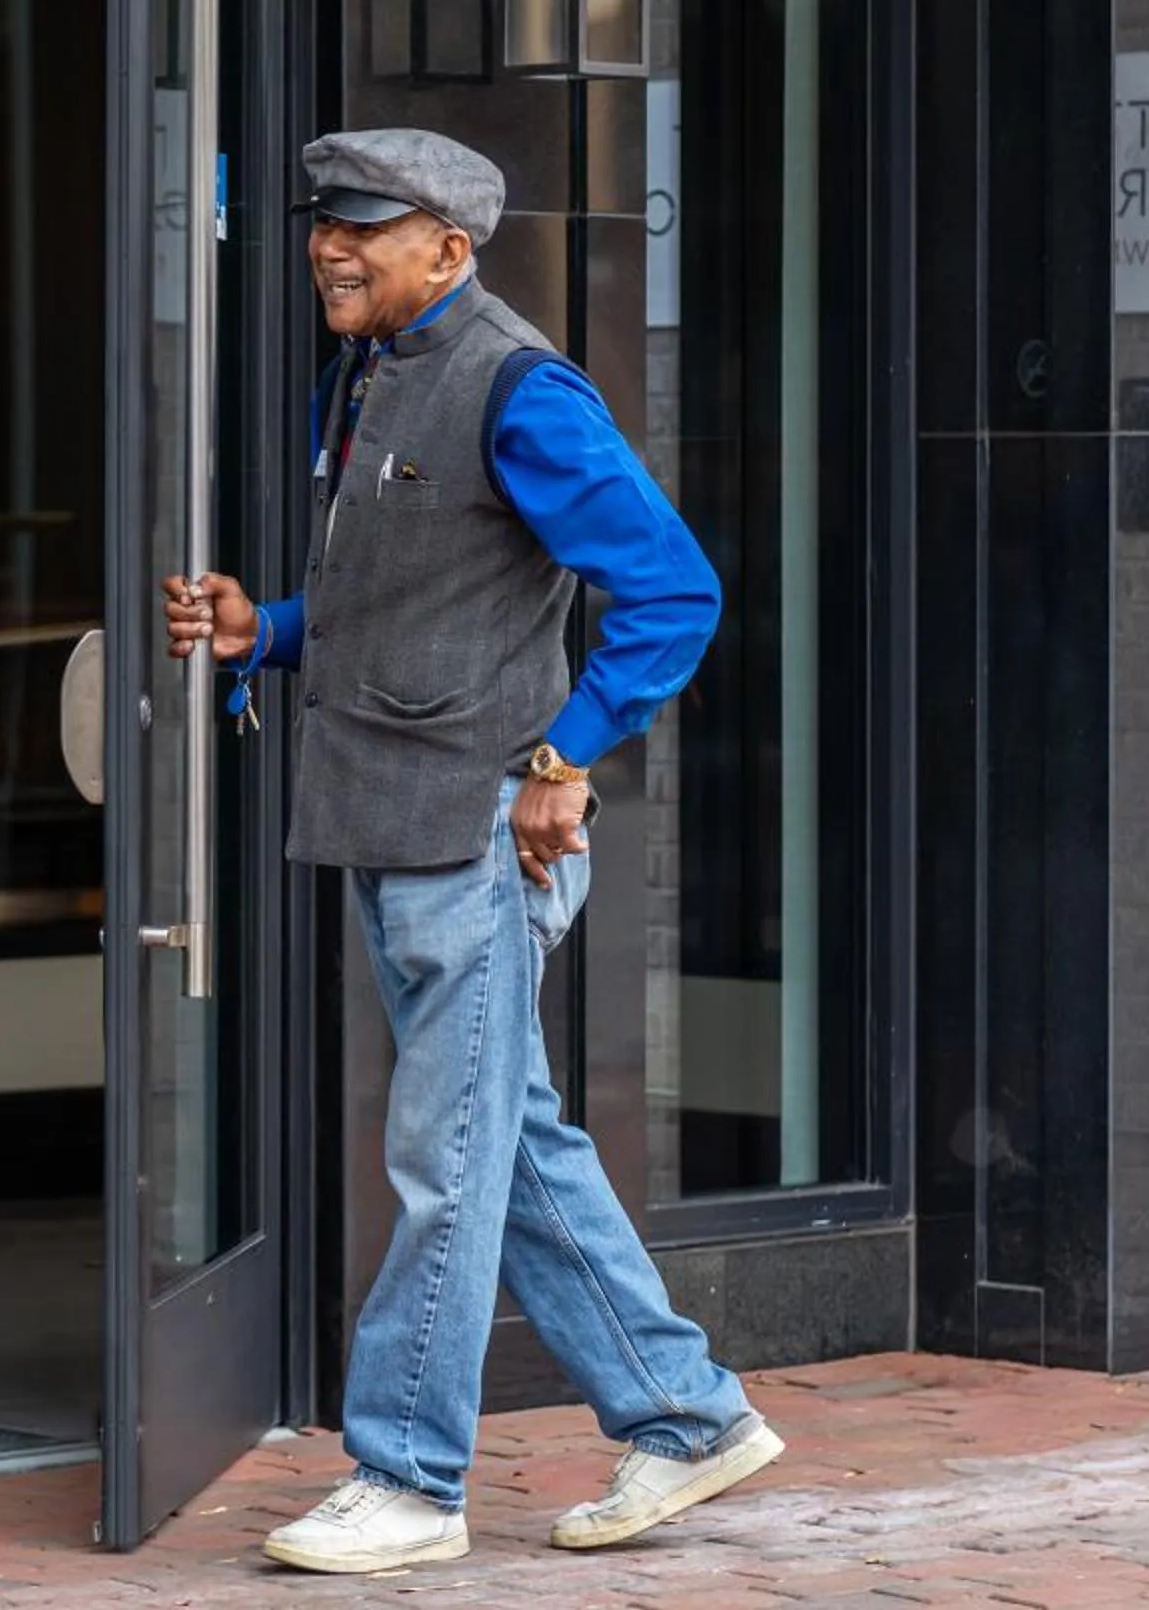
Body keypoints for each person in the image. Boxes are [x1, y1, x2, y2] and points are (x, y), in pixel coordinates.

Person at [162, 128, 781, 1575]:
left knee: (445, 1160)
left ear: (450, 249)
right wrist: (269, 632)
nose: (331, 244)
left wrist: (565, 757)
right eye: (325, 219)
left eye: (365, 224)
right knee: (513, 1139)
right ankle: (687, 1415)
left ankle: (409, 1477)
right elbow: (405, 601)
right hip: (394, 820)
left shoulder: (519, 388)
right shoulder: (370, 372)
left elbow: (672, 592)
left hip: (474, 835)